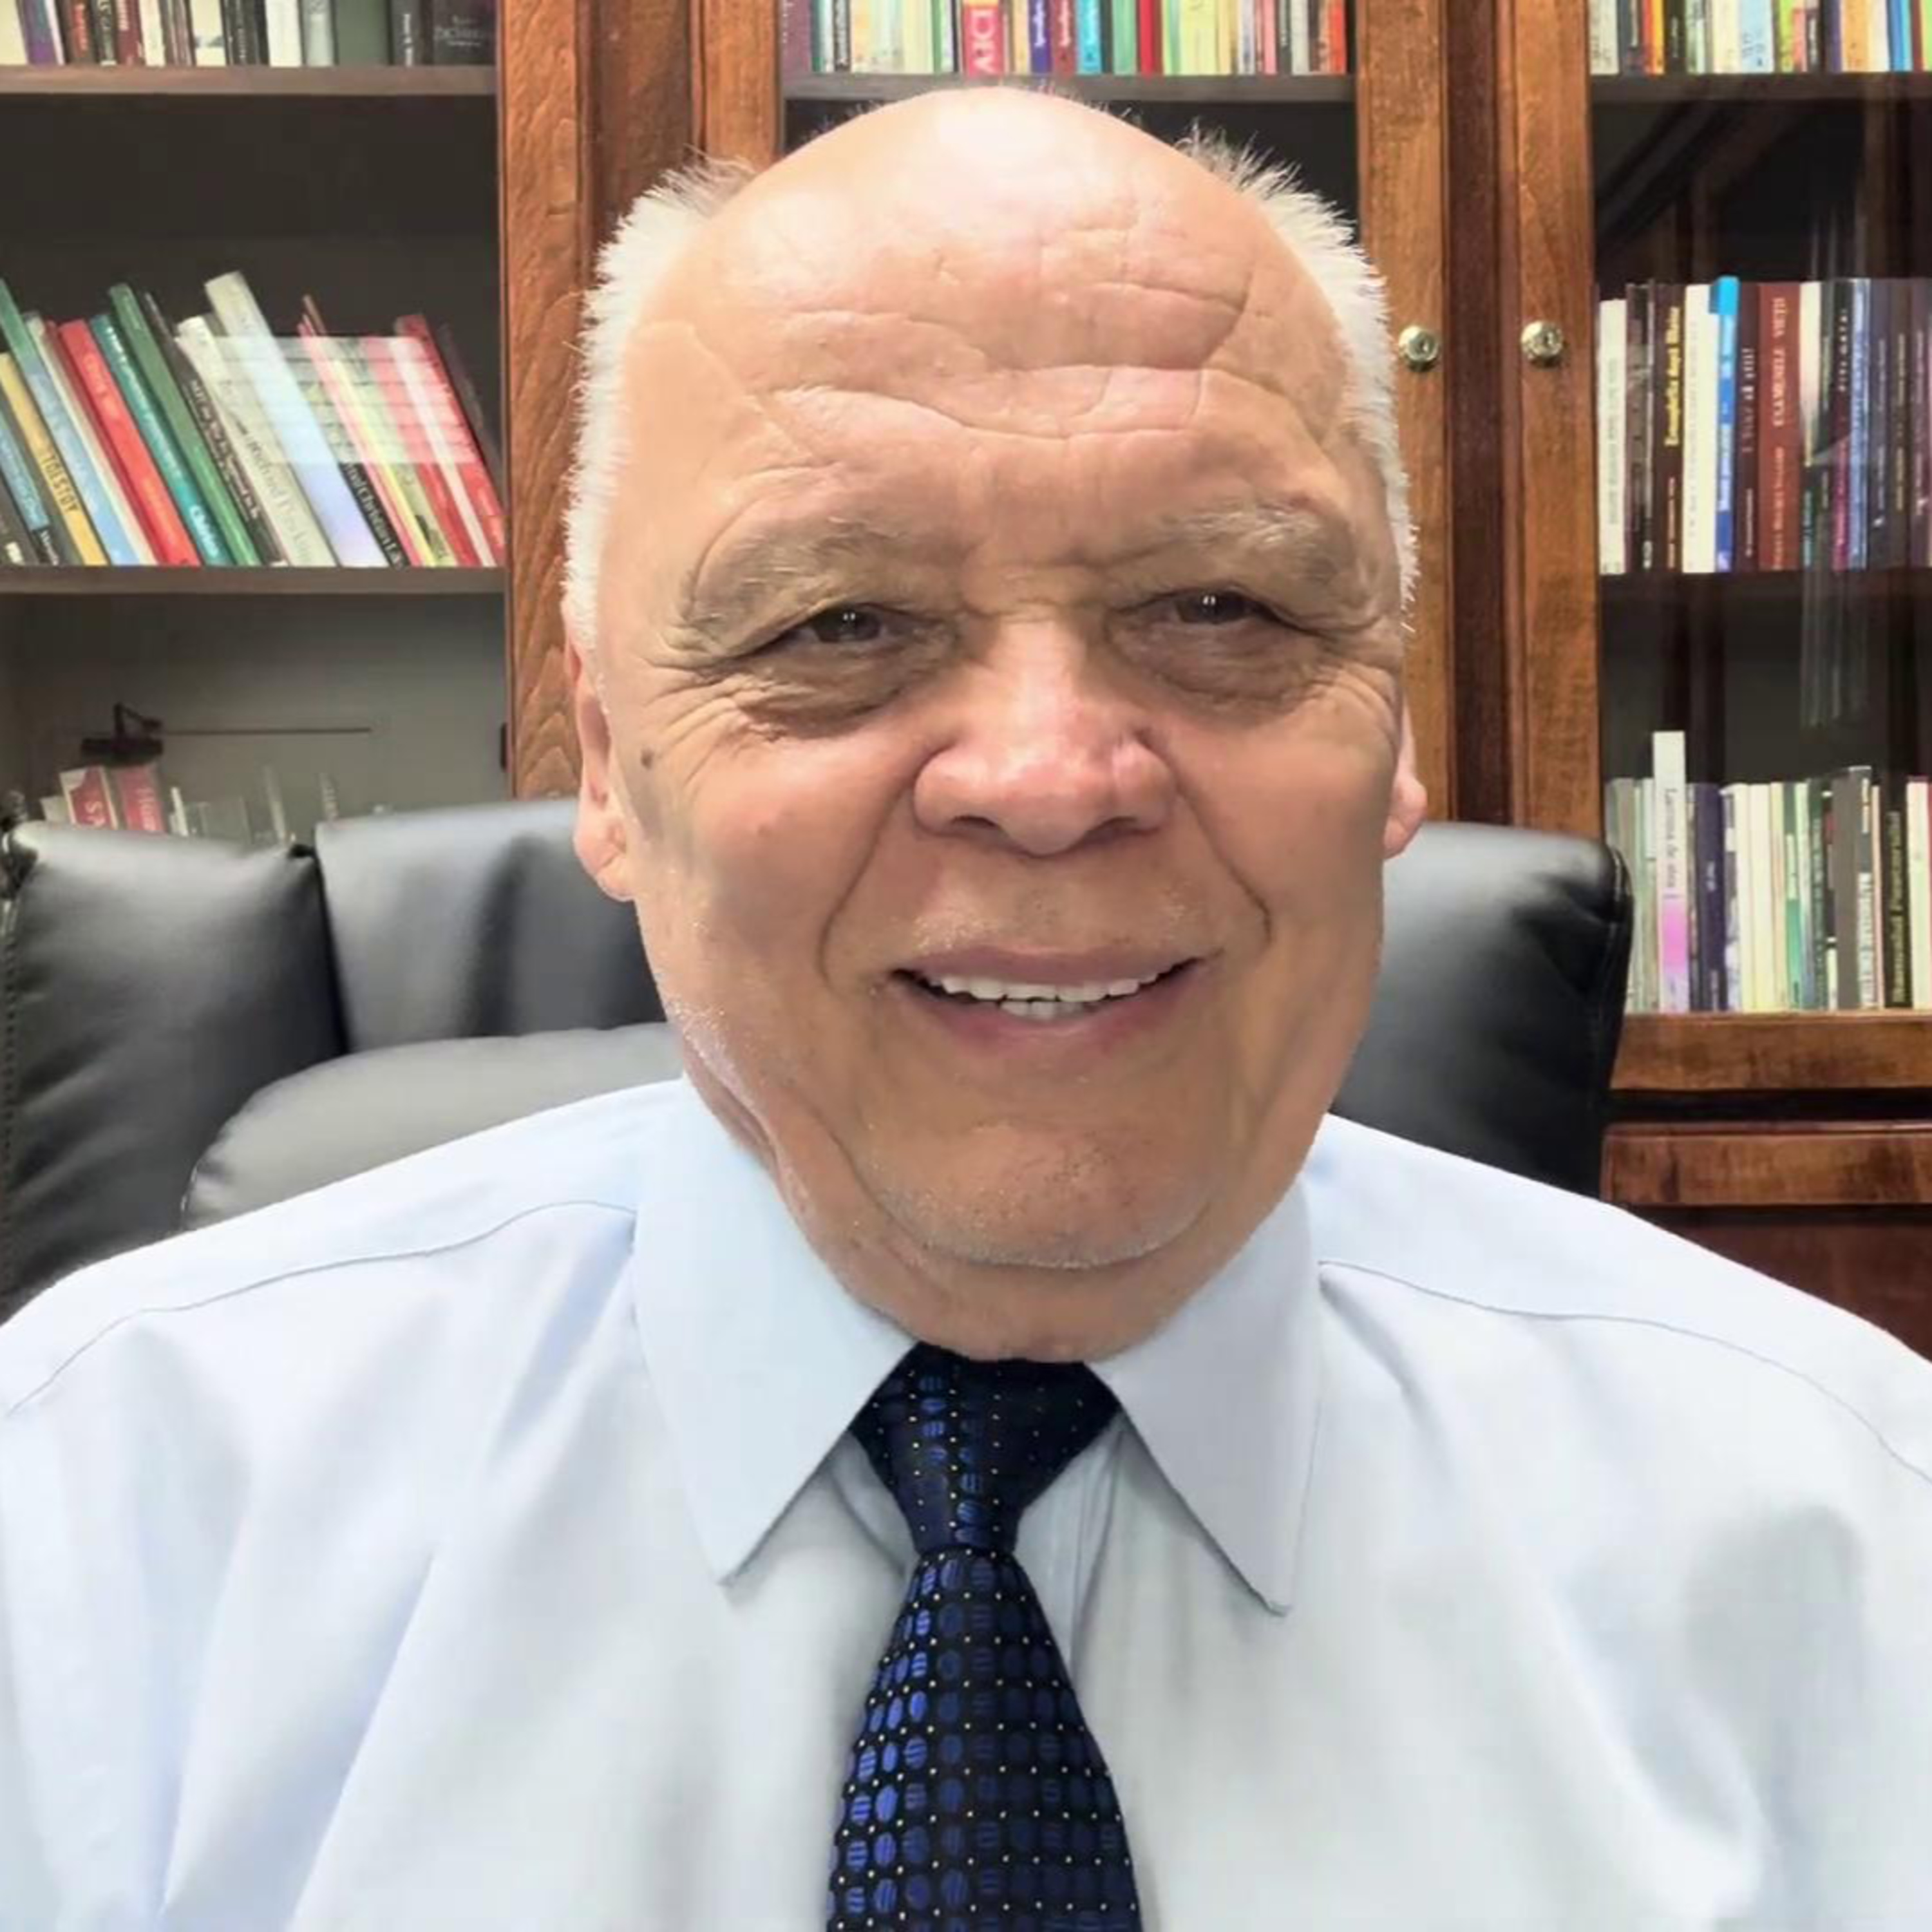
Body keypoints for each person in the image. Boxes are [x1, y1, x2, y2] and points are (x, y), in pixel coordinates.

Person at [3, 86, 1929, 1931]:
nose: (1051, 777)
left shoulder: (1846, 1536)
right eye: (838, 625)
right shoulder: (104, 1524)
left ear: (1397, 731)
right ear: (606, 758)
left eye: (1225, 610)